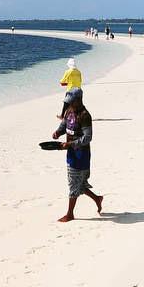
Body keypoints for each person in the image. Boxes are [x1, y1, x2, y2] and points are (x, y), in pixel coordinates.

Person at [52, 88, 102, 222]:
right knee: (77, 183)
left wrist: (70, 144)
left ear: (79, 100)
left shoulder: (85, 116)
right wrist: (58, 132)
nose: (69, 104)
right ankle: (97, 198)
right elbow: (63, 126)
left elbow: (88, 137)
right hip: (70, 152)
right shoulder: (69, 111)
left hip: (81, 154)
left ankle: (70, 214)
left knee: (74, 183)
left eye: (71, 102)